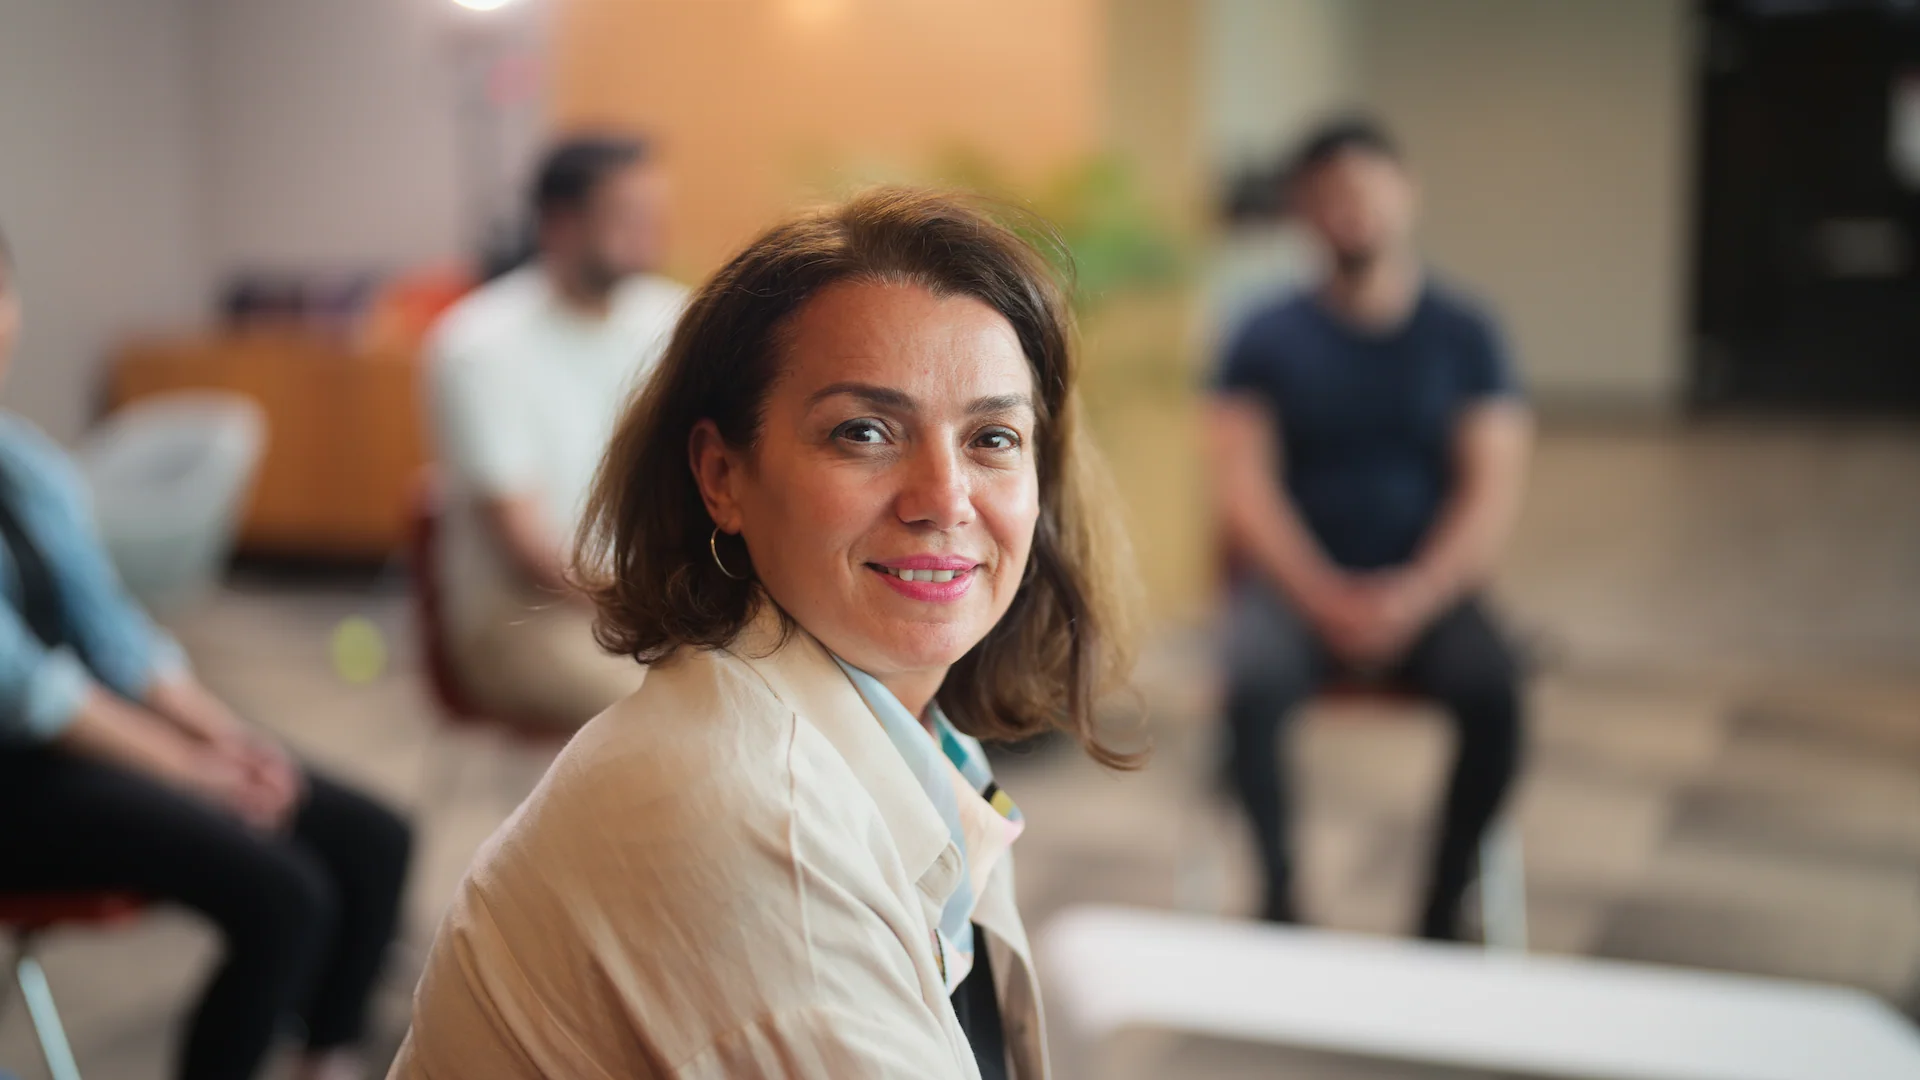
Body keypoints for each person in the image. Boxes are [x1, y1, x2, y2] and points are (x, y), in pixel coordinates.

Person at [389, 188, 1137, 1079]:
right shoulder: (750, 815)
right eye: (864, 433)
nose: (944, 498)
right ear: (722, 476)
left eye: (993, 438)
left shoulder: (905, 734)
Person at [0, 230, 411, 1080]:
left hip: (87, 736)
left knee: (372, 837)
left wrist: (226, 740)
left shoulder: (22, 461)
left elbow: (116, 637)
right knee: (286, 896)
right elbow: (31, 693)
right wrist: (195, 773)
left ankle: (322, 1060)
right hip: (17, 780)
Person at [1208, 118, 1533, 940]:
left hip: (1425, 584)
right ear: (1305, 213)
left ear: (1405, 192)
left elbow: (1489, 490)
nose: (1350, 211)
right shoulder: (1263, 334)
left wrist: (1416, 594)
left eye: (1365, 189)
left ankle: (1441, 911)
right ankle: (1281, 904)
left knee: (1495, 693)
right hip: (1297, 585)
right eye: (1328, 197)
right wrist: (1320, 595)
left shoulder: (1467, 333)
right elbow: (1242, 486)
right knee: (1249, 683)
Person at [426, 133, 689, 730]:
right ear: (560, 223)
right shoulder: (479, 345)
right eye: (628, 216)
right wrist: (651, 612)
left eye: (656, 216)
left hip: (650, 604)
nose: (651, 233)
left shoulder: (674, 321)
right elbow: (524, 544)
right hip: (524, 619)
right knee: (685, 710)